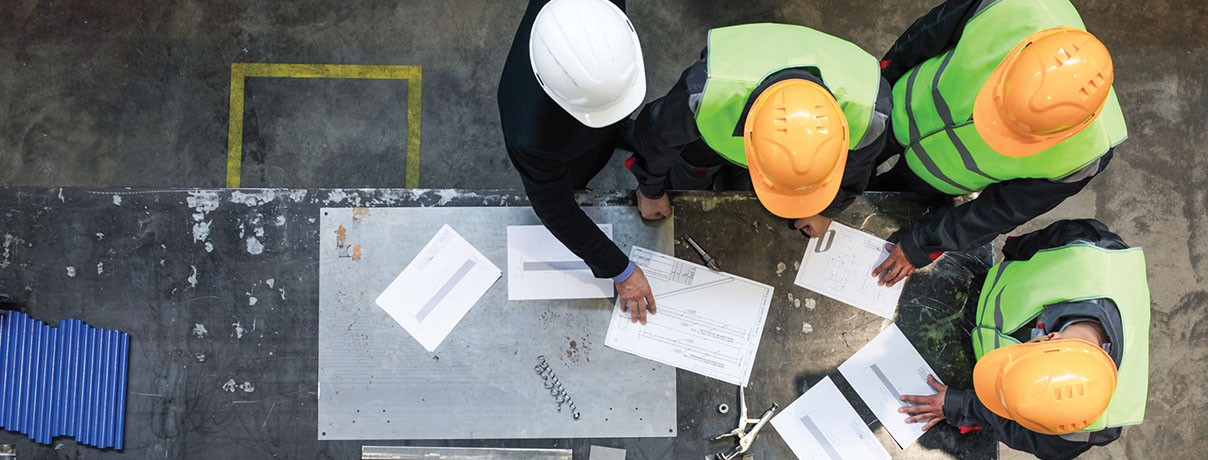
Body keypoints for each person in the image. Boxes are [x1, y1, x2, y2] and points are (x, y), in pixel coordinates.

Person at [869, 0, 1127, 287]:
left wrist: (923, 244)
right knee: (851, 163)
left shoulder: (1085, 154)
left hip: (937, 176)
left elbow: (999, 211)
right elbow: (924, 35)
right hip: (901, 106)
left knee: (880, 203)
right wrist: (877, 90)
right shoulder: (1013, 8)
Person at [900, 219, 1150, 460]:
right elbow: (1025, 247)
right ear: (1050, 336)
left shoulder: (1084, 425)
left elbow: (1027, 434)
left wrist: (962, 405)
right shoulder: (1088, 248)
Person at [625, 23, 891, 235]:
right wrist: (651, 191)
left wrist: (826, 210)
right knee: (686, 180)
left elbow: (857, 170)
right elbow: (655, 138)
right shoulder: (706, 93)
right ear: (747, 136)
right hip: (706, 142)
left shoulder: (870, 112)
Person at [497, 0, 656, 322]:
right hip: (559, 142)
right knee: (576, 178)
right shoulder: (531, 134)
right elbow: (556, 210)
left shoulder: (601, 23)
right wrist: (620, 270)